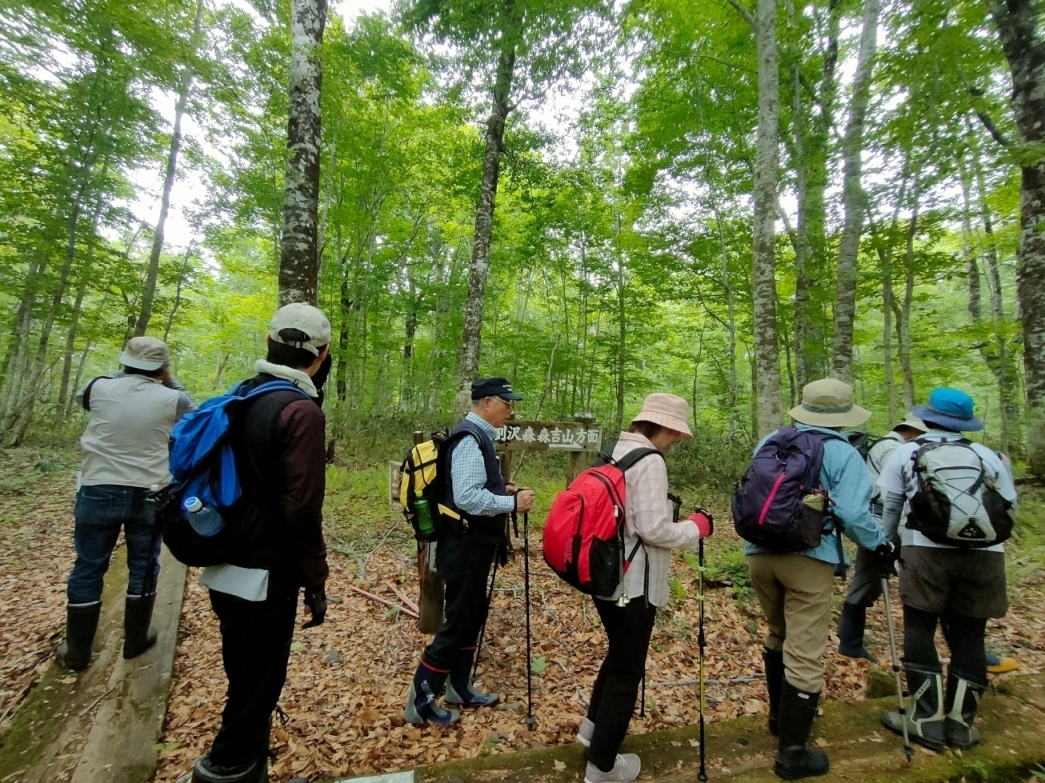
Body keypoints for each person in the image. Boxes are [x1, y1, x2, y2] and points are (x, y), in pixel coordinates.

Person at [183, 303, 332, 783]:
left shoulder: (243, 394)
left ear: (268, 343)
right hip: (268, 569)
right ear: (322, 354)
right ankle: (226, 766)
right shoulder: (300, 410)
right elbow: (300, 508)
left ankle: (245, 762)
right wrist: (316, 578)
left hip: (223, 554)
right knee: (258, 684)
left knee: (243, 668)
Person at [745, 379, 888, 780]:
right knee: (805, 654)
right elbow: (856, 517)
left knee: (778, 633)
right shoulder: (843, 453)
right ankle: (792, 753)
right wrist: (880, 542)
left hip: (759, 555)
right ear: (843, 418)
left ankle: (778, 719)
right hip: (809, 559)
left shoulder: (771, 441)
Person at [578, 393, 712, 783]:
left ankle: (591, 731)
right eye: (676, 434)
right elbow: (653, 529)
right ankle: (602, 766)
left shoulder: (616, 449)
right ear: (666, 426)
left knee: (618, 654)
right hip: (632, 583)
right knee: (627, 669)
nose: (675, 441)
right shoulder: (650, 460)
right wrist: (695, 529)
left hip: (603, 575)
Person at [878, 387, 1017, 751]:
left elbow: (889, 507)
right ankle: (961, 723)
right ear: (965, 423)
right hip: (986, 553)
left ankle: (925, 717)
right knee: (972, 635)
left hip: (925, 549)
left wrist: (886, 544)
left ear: (927, 416)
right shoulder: (988, 456)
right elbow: (1009, 508)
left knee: (920, 628)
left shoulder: (906, 452)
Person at [57, 336, 196, 671]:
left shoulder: (98, 387)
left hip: (97, 488)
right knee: (144, 564)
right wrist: (167, 378)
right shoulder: (172, 398)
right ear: (162, 367)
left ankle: (77, 650)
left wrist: (124, 373)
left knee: (89, 565)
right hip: (149, 492)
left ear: (125, 362)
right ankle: (135, 640)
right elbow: (193, 413)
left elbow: (88, 396)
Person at [403, 377, 536, 726]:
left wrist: (499, 486)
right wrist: (511, 501)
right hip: (463, 546)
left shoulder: (478, 439)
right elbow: (467, 498)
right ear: (488, 401)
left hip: (473, 545)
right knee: (458, 621)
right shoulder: (469, 440)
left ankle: (458, 687)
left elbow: (472, 488)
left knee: (471, 616)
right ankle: (421, 700)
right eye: (507, 404)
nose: (511, 410)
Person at [837, 415, 928, 662]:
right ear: (910, 430)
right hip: (886, 528)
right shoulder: (893, 449)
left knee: (867, 581)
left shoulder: (886, 447)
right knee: (870, 581)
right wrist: (890, 537)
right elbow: (896, 494)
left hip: (877, 526)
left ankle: (850, 640)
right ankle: (850, 641)